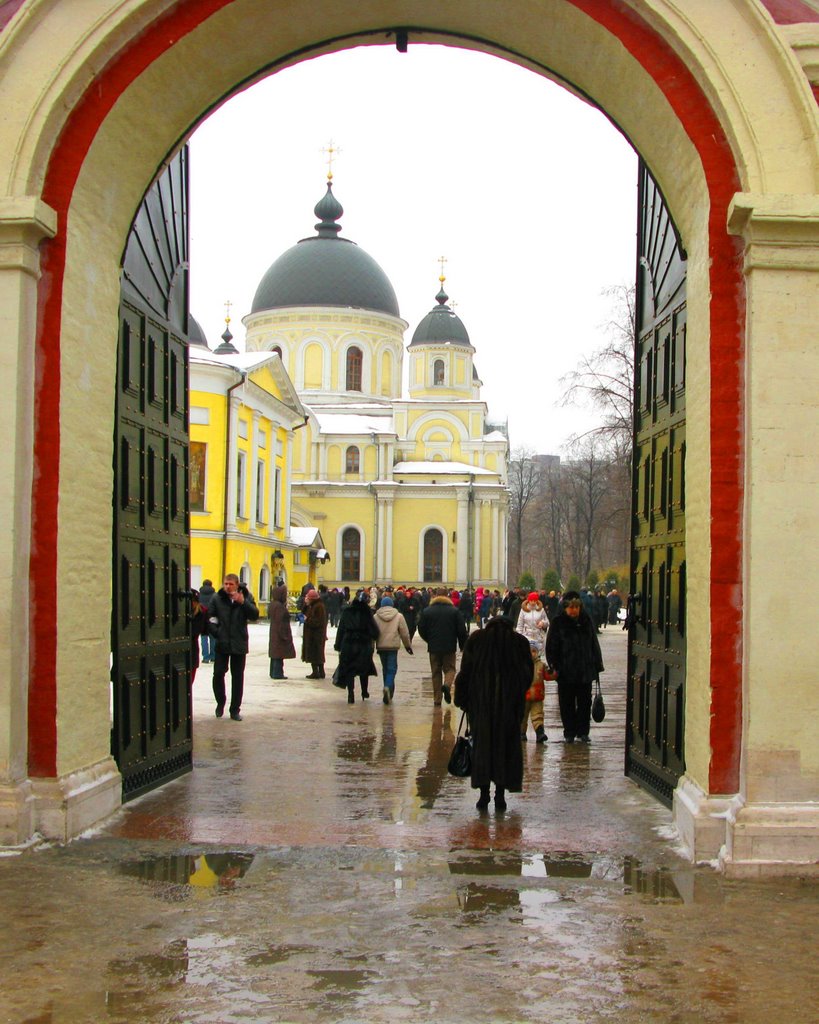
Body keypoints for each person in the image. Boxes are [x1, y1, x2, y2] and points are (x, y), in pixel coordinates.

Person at [454, 616, 532, 811]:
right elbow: (527, 675)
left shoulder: (476, 640)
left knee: (482, 747)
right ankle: (500, 795)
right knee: (506, 748)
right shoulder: (519, 642)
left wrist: (463, 700)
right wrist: (516, 695)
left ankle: (483, 795)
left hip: (481, 705)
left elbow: (465, 672)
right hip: (509, 706)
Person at [545, 591, 604, 744]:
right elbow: (551, 646)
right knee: (566, 704)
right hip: (565, 671)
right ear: (565, 608)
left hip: (585, 670)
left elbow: (593, 644)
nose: (574, 610)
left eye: (576, 607)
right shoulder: (558, 623)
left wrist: (597, 665)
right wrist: (554, 665)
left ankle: (583, 731)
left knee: (585, 703)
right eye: (571, 607)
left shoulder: (586, 621)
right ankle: (569, 732)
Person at [208, 574, 259, 721]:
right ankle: (220, 702)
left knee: (237, 677)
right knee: (218, 673)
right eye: (225, 584)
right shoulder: (217, 598)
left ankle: (235, 709)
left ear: (237, 585)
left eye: (230, 584)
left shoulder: (246, 597)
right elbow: (211, 617)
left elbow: (255, 615)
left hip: (239, 643)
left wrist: (243, 602)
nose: (227, 586)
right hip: (222, 643)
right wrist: (217, 632)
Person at [417, 587, 467, 707]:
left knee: (436, 672)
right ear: (447, 596)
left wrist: (429, 640)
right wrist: (462, 644)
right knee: (450, 669)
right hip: (449, 646)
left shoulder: (427, 611)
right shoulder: (454, 611)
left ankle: (437, 699)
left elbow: (421, 628)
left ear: (435, 596)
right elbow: (461, 630)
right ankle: (447, 685)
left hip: (433, 647)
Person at [335, 589, 379, 703]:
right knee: (364, 669)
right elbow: (374, 631)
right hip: (363, 644)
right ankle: (364, 691)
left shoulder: (347, 611)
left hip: (348, 644)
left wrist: (338, 645)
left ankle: (351, 694)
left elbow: (341, 629)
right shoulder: (367, 612)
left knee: (350, 670)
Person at [374, 595, 413, 704]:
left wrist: (371, 647)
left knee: (385, 669)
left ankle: (388, 691)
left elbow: (372, 632)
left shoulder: (376, 616)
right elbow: (405, 633)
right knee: (392, 669)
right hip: (392, 647)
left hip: (381, 646)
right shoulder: (399, 616)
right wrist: (407, 646)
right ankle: (387, 687)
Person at [521, 641, 547, 743]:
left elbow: (548, 676)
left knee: (538, 715)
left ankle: (539, 732)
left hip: (537, 696)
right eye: (530, 651)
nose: (532, 653)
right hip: (525, 696)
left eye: (534, 651)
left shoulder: (541, 665)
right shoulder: (522, 665)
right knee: (522, 716)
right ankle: (521, 733)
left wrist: (553, 672)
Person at [268, 582, 296, 679]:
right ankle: (277, 673)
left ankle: (273, 672)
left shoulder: (273, 604)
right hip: (279, 634)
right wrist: (284, 635)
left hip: (274, 634)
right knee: (278, 654)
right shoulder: (279, 607)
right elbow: (281, 622)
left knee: (275, 654)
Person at [302, 589, 328, 678]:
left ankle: (317, 672)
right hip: (314, 634)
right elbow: (303, 612)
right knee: (317, 654)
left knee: (316, 653)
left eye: (307, 598)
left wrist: (307, 620)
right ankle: (320, 672)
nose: (306, 599)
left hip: (316, 635)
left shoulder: (318, 607)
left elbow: (317, 621)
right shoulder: (313, 606)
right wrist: (305, 605)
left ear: (311, 599)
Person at [515, 591, 548, 655]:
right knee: (527, 656)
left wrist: (542, 623)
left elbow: (547, 622)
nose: (533, 602)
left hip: (538, 636)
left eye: (535, 600)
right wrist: (519, 637)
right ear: (528, 600)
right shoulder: (523, 610)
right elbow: (520, 625)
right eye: (531, 600)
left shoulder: (541, 610)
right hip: (526, 636)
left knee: (538, 656)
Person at [198, 578, 216, 663]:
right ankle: (213, 656)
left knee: (204, 638)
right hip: (212, 618)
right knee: (213, 638)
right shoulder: (215, 595)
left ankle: (205, 657)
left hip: (202, 619)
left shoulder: (198, 595)